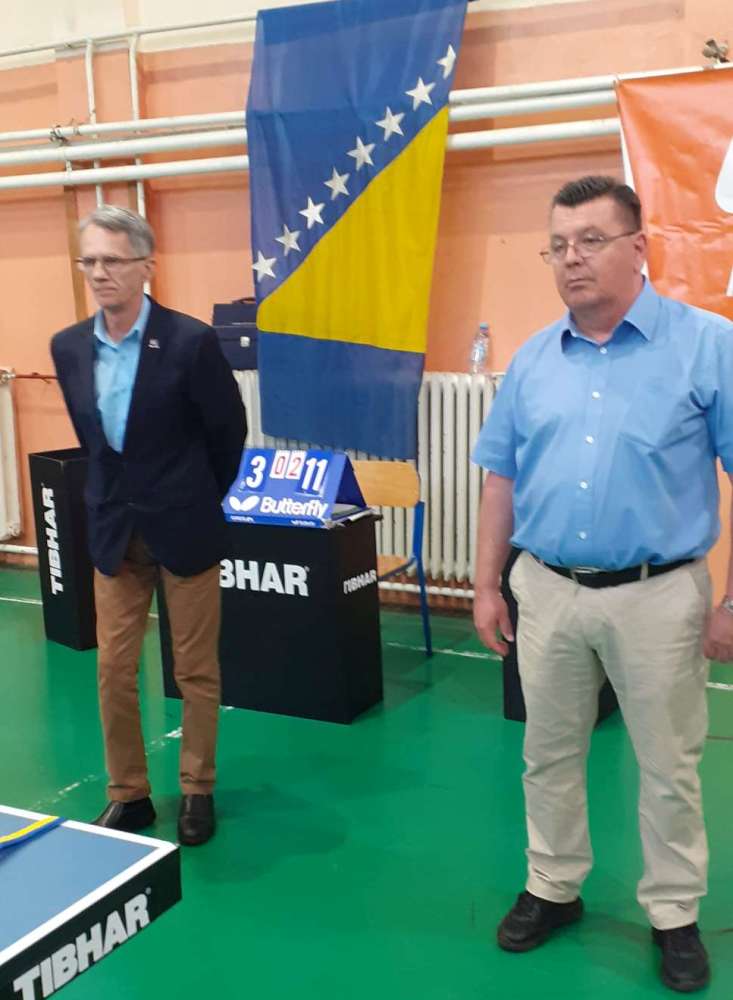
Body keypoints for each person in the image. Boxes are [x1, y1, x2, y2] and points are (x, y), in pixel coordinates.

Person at [472, 175, 733, 993]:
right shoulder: (532, 360)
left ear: (638, 248)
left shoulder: (706, 345)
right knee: (546, 753)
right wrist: (486, 587)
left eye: (590, 240)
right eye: (557, 245)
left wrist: (731, 601)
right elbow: (499, 479)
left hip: (658, 595)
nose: (571, 259)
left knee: (667, 764)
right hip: (546, 590)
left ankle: (672, 911)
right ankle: (552, 885)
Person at [51, 206, 247, 846]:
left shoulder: (190, 342)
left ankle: (197, 789)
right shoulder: (68, 347)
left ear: (146, 266)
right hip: (114, 530)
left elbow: (227, 433)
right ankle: (129, 795)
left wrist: (194, 496)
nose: (99, 273)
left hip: (185, 526)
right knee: (113, 669)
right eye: (89, 261)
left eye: (112, 260)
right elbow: (95, 440)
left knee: (194, 669)